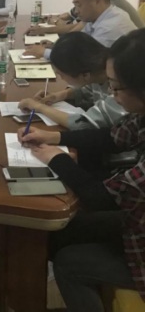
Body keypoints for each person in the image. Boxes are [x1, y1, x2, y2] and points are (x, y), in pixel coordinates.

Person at [18, 28, 145, 312]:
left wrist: (56, 158)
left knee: (69, 262)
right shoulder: (140, 115)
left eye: (116, 88)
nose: (111, 95)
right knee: (57, 234)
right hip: (135, 216)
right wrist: (55, 138)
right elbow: (110, 137)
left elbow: (101, 198)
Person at [18, 32, 125, 130]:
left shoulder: (120, 88)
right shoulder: (98, 70)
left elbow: (83, 123)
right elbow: (86, 92)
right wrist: (58, 96)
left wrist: (39, 107)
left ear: (85, 75)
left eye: (61, 74)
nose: (61, 78)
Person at [25, 0, 137, 59]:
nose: (77, 11)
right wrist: (55, 46)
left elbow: (86, 59)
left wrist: (45, 53)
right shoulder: (96, 17)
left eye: (79, 5)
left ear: (97, 2)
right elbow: (80, 46)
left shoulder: (111, 26)